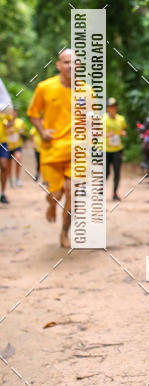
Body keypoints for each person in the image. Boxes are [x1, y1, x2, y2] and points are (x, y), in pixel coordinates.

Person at [27, 49, 76, 247]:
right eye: (66, 62)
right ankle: (52, 204)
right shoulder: (44, 87)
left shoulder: (87, 91)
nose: (70, 66)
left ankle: (65, 233)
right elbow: (32, 113)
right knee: (56, 194)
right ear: (58, 65)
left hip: (76, 151)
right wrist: (42, 130)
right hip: (52, 150)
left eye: (74, 62)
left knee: (72, 192)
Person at [104, 97, 126, 200]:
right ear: (107, 108)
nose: (113, 109)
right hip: (105, 150)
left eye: (114, 106)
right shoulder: (102, 119)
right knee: (106, 172)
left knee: (117, 172)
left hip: (117, 149)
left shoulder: (121, 119)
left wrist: (123, 133)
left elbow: (123, 130)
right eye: (110, 107)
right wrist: (107, 134)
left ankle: (115, 193)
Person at [6, 108, 26, 187]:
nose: (14, 114)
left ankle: (17, 179)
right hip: (8, 145)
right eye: (13, 112)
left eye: (15, 112)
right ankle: (10, 179)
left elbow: (24, 134)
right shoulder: (5, 121)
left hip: (17, 145)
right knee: (9, 164)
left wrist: (22, 132)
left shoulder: (20, 122)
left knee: (18, 159)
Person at [0, 106, 9, 204]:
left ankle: (3, 193)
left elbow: (9, 123)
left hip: (2, 143)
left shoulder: (3, 113)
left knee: (4, 165)